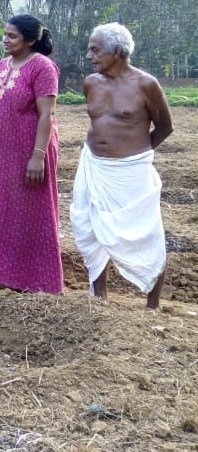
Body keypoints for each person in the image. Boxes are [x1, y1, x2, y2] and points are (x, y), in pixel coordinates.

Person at [70, 23, 173, 309]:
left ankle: (152, 305)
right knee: (92, 228)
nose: (89, 56)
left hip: (131, 171)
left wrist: (133, 155)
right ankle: (99, 296)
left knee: (146, 233)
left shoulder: (146, 84)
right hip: (93, 164)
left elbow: (165, 127)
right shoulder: (91, 83)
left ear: (116, 51)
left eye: (95, 50)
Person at [0, 14, 62, 293]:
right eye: (5, 34)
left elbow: (47, 114)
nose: (5, 40)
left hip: (28, 151)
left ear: (30, 40)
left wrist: (38, 156)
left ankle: (31, 277)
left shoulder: (43, 67)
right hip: (0, 152)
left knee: (28, 212)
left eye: (12, 36)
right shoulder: (0, 66)